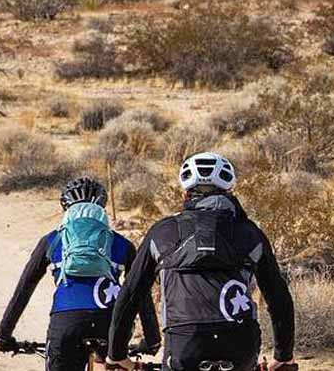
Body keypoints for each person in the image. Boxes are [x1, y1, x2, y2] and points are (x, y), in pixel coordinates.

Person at [105, 152, 296, 371]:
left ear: (186, 194)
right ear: (229, 191)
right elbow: (278, 297)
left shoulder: (162, 232)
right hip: (240, 343)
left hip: (184, 343)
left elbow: (130, 294)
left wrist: (116, 354)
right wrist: (283, 355)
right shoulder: (249, 232)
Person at [0, 177, 161, 371]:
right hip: (111, 324)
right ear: (102, 206)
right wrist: (152, 340)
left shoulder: (52, 241)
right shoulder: (122, 244)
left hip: (66, 321)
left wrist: (4, 336)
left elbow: (24, 288)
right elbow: (139, 292)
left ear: (65, 208)